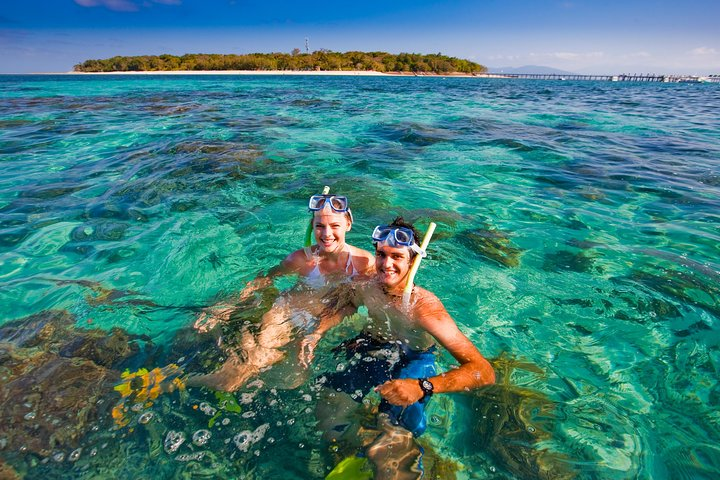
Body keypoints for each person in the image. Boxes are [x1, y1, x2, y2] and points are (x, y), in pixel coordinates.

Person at [299, 217, 495, 480]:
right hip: (374, 347)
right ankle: (353, 451)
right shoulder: (368, 286)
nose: (386, 264)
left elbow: (483, 371)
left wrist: (422, 386)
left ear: (412, 262)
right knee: (329, 408)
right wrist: (317, 333)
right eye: (381, 254)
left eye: (396, 257)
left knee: (393, 438)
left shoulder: (425, 308)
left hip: (414, 359)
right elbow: (345, 305)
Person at [188, 193, 375, 392]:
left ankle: (227, 353)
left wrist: (317, 332)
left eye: (335, 226)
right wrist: (223, 308)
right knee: (239, 374)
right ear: (313, 226)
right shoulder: (300, 260)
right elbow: (264, 279)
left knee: (294, 377)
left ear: (348, 224)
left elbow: (353, 304)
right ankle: (175, 382)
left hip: (317, 322)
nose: (326, 234)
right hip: (284, 312)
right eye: (320, 226)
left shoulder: (364, 264)